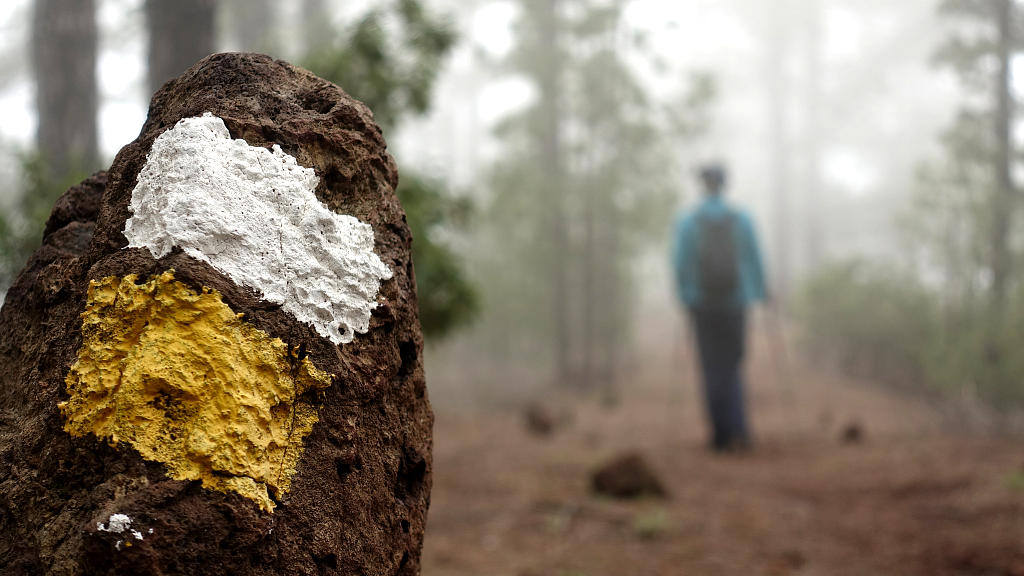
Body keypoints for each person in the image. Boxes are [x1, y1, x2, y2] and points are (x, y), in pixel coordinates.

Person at [671, 163, 767, 452]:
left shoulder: (688, 221)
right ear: (725, 185)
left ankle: (720, 434)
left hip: (702, 304)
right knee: (733, 363)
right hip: (736, 302)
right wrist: (760, 292)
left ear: (703, 185)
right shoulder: (742, 219)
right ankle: (740, 428)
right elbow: (753, 257)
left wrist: (685, 296)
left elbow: (680, 262)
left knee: (710, 366)